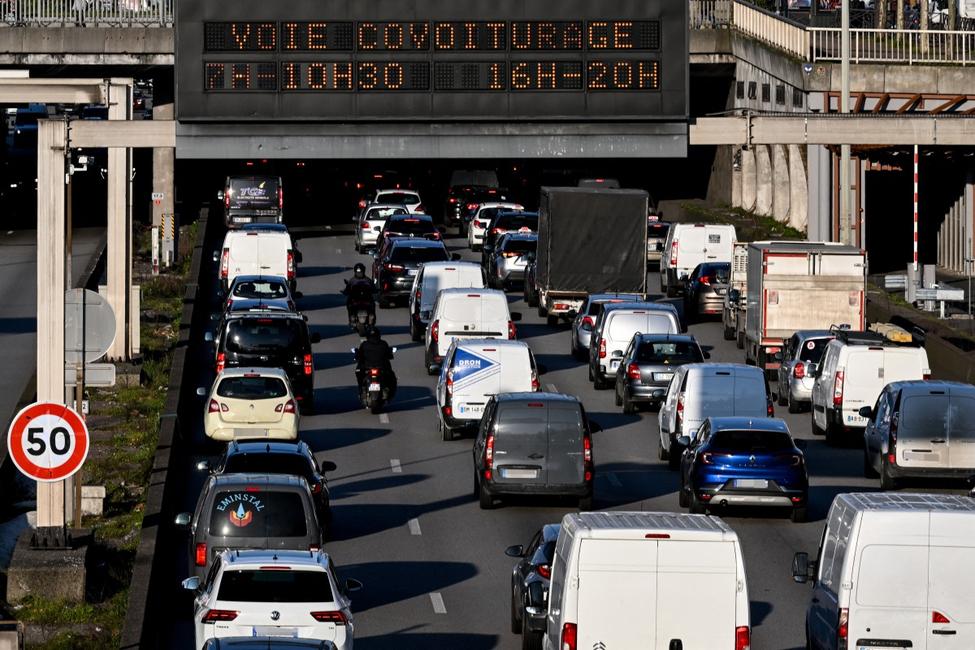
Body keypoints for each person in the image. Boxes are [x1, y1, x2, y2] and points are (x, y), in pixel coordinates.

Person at [355, 327, 396, 399]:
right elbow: (389, 356)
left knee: (358, 373)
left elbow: (359, 356)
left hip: (367, 368)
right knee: (392, 377)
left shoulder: (364, 344)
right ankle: (364, 389)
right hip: (381, 368)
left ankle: (362, 389)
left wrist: (356, 356)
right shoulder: (383, 343)